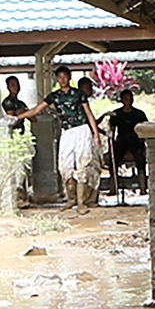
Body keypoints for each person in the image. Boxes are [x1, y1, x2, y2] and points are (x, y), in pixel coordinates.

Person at [51, 70, 101, 208]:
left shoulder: (79, 96)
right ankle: (72, 199)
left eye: (89, 87)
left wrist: (96, 134)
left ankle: (83, 201)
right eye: (85, 87)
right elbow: (38, 108)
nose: (88, 90)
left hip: (84, 134)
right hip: (69, 133)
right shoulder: (56, 97)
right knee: (66, 167)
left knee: (85, 167)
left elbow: (89, 115)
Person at [105, 87, 148, 200]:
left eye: (130, 98)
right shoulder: (116, 114)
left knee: (140, 159)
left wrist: (144, 145)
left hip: (135, 140)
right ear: (122, 100)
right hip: (121, 140)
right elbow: (112, 131)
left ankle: (143, 187)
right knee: (113, 160)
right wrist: (110, 143)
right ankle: (113, 187)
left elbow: (145, 130)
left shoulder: (139, 114)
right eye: (125, 98)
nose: (128, 100)